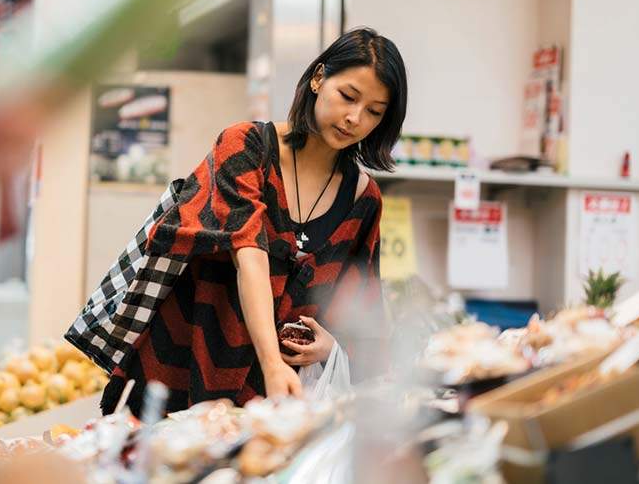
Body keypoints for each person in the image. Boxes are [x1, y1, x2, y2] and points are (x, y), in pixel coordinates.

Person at [101, 27, 408, 415]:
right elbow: (249, 253)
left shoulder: (364, 199)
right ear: (318, 78)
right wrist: (271, 362)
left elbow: (360, 310)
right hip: (181, 371)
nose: (354, 118)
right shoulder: (245, 147)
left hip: (272, 400)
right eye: (347, 96)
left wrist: (332, 349)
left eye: (374, 112)